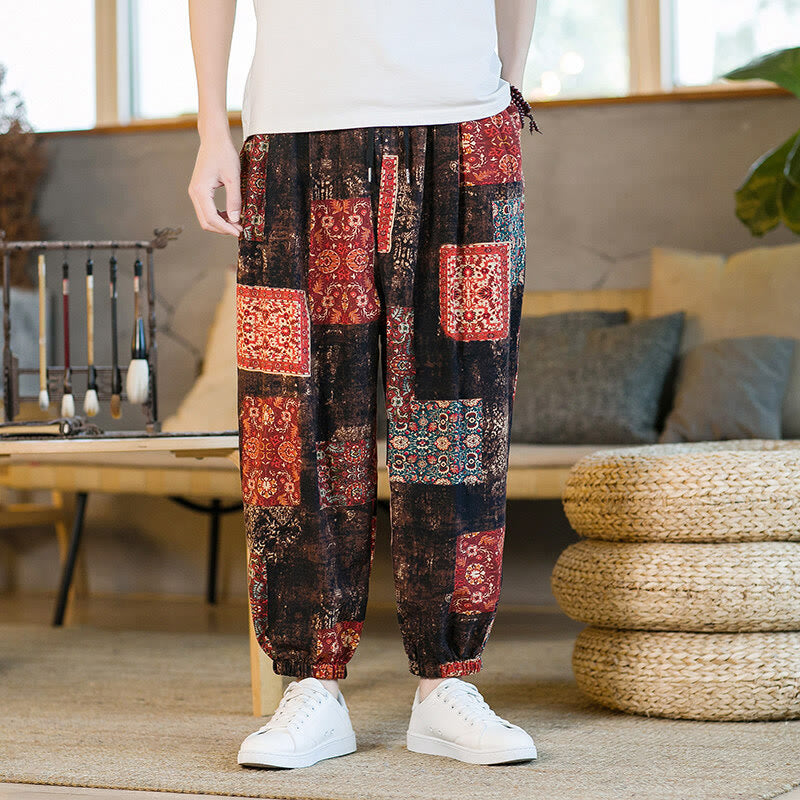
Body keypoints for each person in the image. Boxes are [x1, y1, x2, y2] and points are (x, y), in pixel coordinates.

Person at [188, 0, 541, 771]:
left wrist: (507, 88)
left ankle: (447, 682)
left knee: (460, 414)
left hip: (463, 122)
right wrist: (213, 126)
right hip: (295, 128)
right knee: (294, 420)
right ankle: (310, 684)